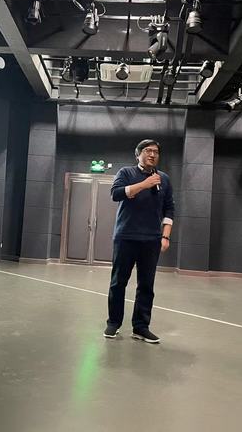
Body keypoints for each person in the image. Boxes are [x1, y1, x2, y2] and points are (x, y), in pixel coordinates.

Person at [104, 139, 175, 344]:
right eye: (148, 150)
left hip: (151, 240)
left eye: (156, 152)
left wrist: (165, 235)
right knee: (118, 282)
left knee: (146, 285)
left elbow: (169, 208)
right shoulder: (126, 173)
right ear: (138, 154)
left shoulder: (164, 179)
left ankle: (141, 327)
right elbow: (116, 194)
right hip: (126, 237)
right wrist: (144, 185)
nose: (152, 154)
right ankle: (114, 322)